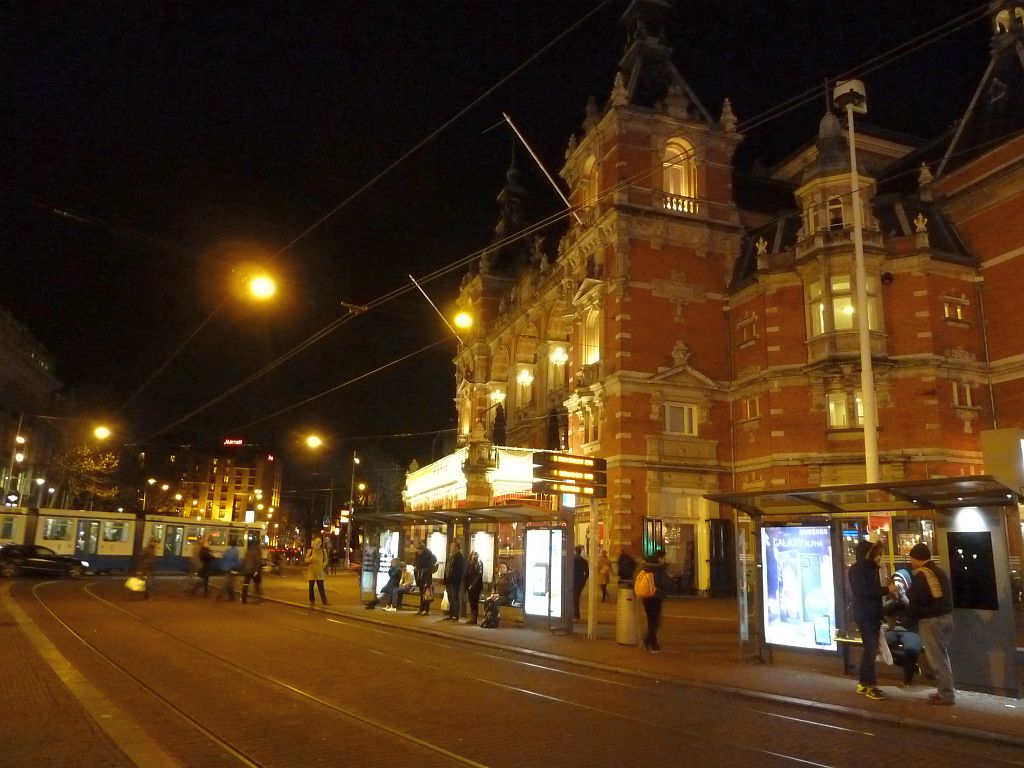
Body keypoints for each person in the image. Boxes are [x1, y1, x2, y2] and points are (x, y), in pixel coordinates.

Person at [907, 542, 955, 705]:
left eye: (912, 558)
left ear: (918, 559)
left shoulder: (921, 575)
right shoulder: (939, 571)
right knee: (942, 655)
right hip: (946, 618)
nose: (911, 562)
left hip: (932, 620)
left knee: (936, 658)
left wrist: (910, 619)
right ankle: (944, 690)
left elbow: (918, 601)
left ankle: (946, 694)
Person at [848, 539, 889, 700]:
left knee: (870, 650)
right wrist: (887, 589)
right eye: (878, 554)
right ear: (869, 554)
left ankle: (863, 683)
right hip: (867, 615)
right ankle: (870, 686)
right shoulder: (863, 569)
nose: (879, 558)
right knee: (871, 649)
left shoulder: (862, 569)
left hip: (868, 614)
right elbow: (865, 591)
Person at [882, 569, 923, 687]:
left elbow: (914, 609)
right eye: (895, 581)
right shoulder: (890, 595)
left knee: (911, 649)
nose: (897, 584)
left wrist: (903, 596)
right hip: (893, 630)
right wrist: (893, 600)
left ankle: (908, 679)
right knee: (880, 645)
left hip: (909, 630)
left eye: (900, 581)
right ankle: (907, 664)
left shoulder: (914, 594)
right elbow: (883, 609)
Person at [638, 548, 672, 652]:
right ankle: (647, 640)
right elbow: (665, 583)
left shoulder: (645, 567)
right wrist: (670, 580)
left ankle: (654, 644)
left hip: (646, 597)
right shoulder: (660, 569)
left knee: (651, 620)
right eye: (663, 558)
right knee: (655, 622)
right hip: (655, 597)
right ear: (659, 558)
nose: (664, 560)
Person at [443, 540, 466, 621]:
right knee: (450, 598)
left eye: (452, 546)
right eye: (451, 546)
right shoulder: (450, 557)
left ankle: (456, 615)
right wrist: (445, 579)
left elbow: (460, 570)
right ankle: (451, 614)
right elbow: (447, 568)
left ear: (457, 547)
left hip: (455, 581)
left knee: (455, 598)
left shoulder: (459, 557)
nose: (451, 547)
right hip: (449, 581)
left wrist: (456, 579)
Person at [414, 542, 437, 615]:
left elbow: (431, 565)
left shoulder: (428, 555)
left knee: (426, 593)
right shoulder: (417, 555)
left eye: (420, 550)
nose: (419, 551)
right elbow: (416, 564)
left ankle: (426, 610)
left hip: (426, 576)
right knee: (421, 593)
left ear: (423, 549)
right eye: (418, 550)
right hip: (420, 575)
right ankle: (421, 608)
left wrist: (427, 571)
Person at [305, 537, 329, 606]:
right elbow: (306, 560)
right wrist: (310, 559)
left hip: (319, 571)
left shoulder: (323, 551)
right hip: (312, 571)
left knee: (321, 587)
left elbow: (326, 560)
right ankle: (312, 600)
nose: (318, 544)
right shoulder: (310, 551)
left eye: (319, 543)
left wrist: (323, 565)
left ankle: (324, 601)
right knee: (311, 587)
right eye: (317, 543)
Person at [464, 550, 484, 624]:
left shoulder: (479, 563)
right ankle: (473, 617)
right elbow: (466, 574)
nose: (474, 556)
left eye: (475, 555)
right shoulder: (469, 563)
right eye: (473, 555)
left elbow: (479, 575)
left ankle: (474, 618)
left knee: (475, 602)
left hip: (476, 586)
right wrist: (467, 585)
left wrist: (472, 585)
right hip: (469, 585)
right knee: (471, 602)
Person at [241, 540, 263, 604]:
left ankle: (243, 599)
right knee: (257, 585)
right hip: (254, 570)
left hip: (247, 570)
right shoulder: (257, 551)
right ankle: (258, 600)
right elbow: (258, 562)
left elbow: (244, 561)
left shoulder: (248, 551)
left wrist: (243, 568)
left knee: (245, 584)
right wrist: (257, 570)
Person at [572, 545, 589, 620]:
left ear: (575, 551)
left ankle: (576, 614)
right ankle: (576, 614)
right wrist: (583, 580)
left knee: (574, 599)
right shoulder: (584, 561)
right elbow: (587, 573)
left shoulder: (572, 560)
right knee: (577, 598)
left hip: (573, 581)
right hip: (580, 582)